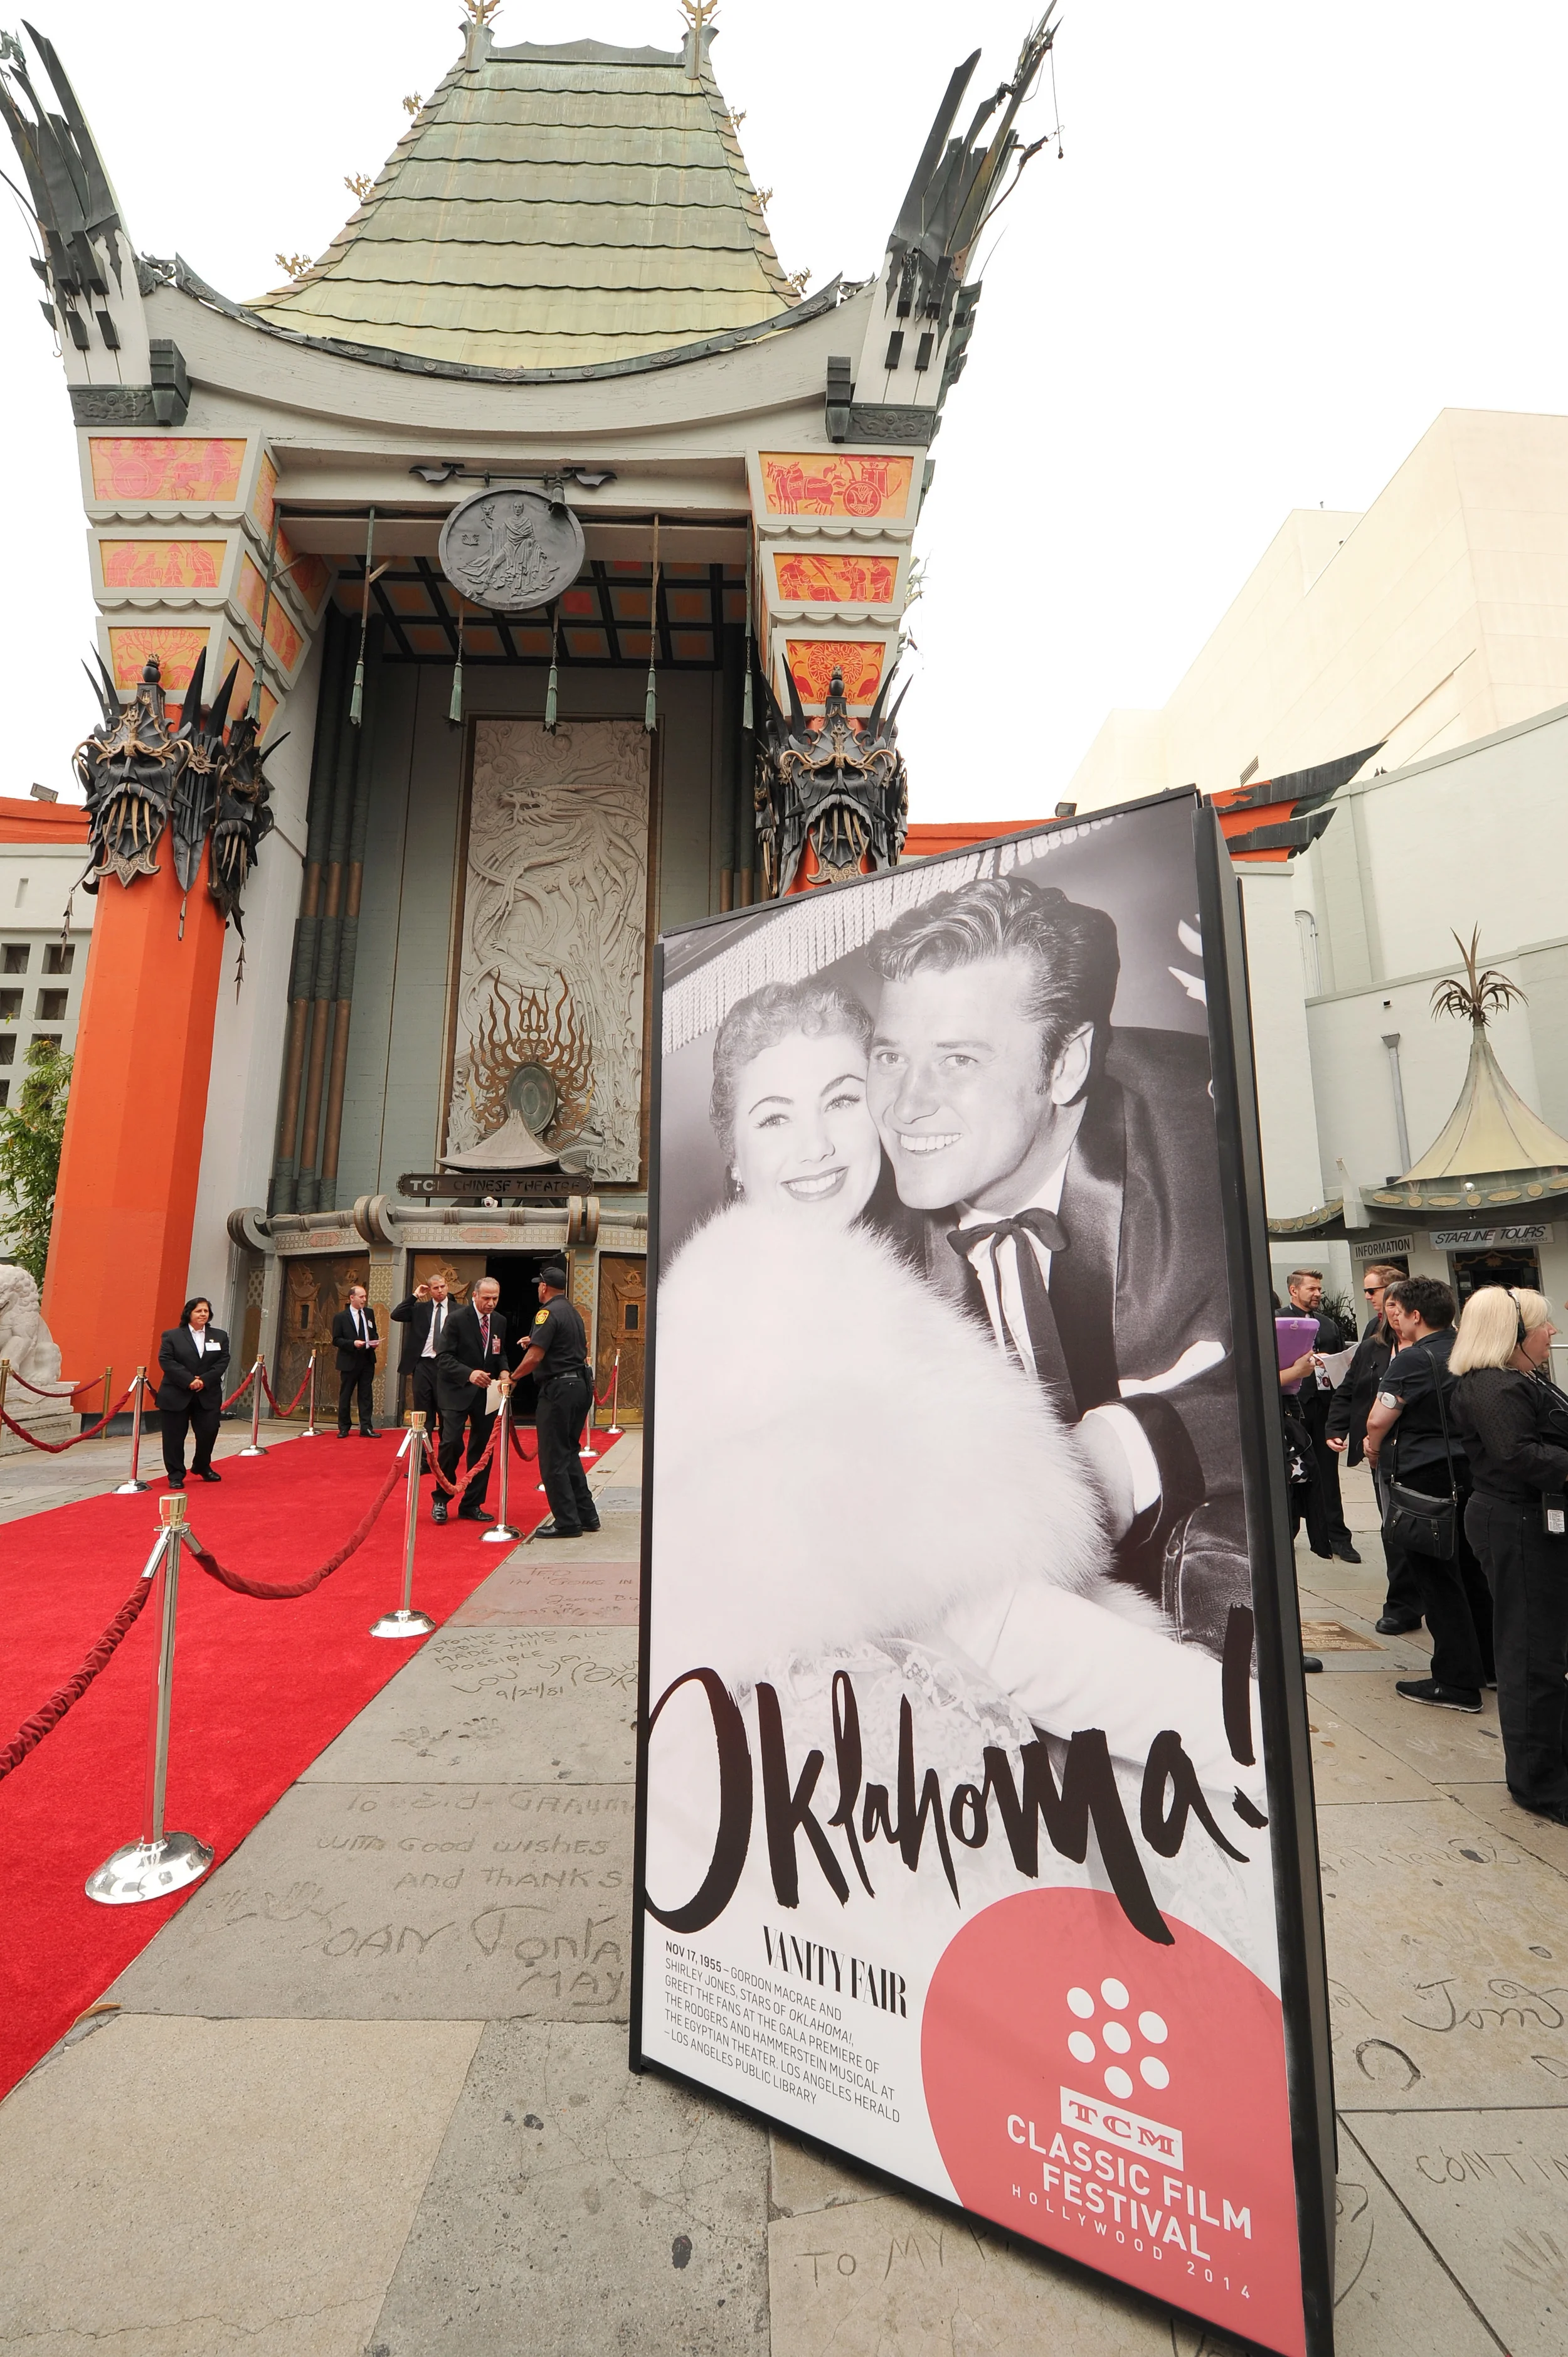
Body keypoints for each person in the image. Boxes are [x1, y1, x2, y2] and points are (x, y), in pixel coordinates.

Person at [650, 995, 1264, 1797]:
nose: (815, 1148)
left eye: (841, 1100)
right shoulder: (751, 1304)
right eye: (772, 1119)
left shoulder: (902, 1268)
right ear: (732, 1155)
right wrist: (1233, 1736)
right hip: (842, 1761)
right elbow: (977, 1612)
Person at [865, 871, 1244, 1653]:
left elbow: (1262, 1409)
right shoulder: (856, 1217)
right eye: (890, 1057)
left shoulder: (1209, 1140)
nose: (904, 1107)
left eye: (958, 1060)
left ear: (1066, 1064)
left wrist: (1119, 1450)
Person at [1449, 1286, 1568, 1824]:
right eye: (1544, 1325)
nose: (1553, 1333)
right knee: (1530, 1656)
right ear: (1514, 1333)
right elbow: (1518, 1454)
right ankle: (1538, 1784)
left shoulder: (1519, 1378)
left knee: (1545, 1653)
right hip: (1517, 1524)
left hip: (1531, 1522)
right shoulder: (1494, 1386)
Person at [1364, 1275, 1495, 1711]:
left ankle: (1456, 1682)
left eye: (1398, 1310)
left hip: (1426, 1478)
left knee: (1438, 1580)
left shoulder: (1412, 1360)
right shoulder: (1469, 1350)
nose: (1395, 1319)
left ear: (1416, 1315)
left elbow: (1378, 1420)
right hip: (1474, 1473)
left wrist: (1372, 1446)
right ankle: (1490, 1667)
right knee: (1475, 1573)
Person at [1327, 1264, 1423, 1633]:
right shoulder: (1375, 1342)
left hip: (1423, 1452)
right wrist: (1336, 1428)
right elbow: (1350, 1388)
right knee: (1394, 1530)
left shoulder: (1437, 1350)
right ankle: (1403, 1604)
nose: (1372, 1301)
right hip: (1382, 1456)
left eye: (1375, 1293)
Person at [514, 1261, 601, 1539]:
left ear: (543, 1287)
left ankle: (567, 1521)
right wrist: (535, 1341)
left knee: (553, 1457)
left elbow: (536, 1357)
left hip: (559, 1390)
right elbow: (562, 1344)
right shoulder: (572, 1312)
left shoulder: (546, 1313)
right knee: (568, 1452)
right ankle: (586, 1515)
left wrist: (513, 1378)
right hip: (579, 1386)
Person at [1285, 1267, 1359, 1562]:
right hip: (1293, 1407)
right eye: (1311, 1289)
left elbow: (1343, 1369)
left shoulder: (1328, 1325)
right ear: (1294, 1290)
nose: (1318, 1294)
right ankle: (1286, 1533)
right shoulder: (1277, 1320)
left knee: (1328, 1473)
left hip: (1325, 1407)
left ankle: (1337, 1536)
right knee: (1291, 1473)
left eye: (1319, 1289)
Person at [433, 1273, 507, 1523]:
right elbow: (443, 1358)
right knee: (451, 1443)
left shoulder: (499, 1321)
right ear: (474, 1296)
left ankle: (472, 1503)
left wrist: (505, 1371)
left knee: (483, 1448)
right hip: (455, 1390)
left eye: (495, 1298)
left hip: (486, 1394)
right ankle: (441, 1499)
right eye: (486, 1298)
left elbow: (499, 1352)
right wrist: (469, 1373)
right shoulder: (456, 1320)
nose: (491, 1303)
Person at [156, 1296, 230, 1487]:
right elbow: (167, 1361)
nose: (203, 1314)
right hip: (177, 1392)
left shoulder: (220, 1336)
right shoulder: (172, 1336)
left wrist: (203, 1380)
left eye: (206, 1311)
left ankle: (202, 1466)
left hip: (207, 1393)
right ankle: (175, 1474)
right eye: (199, 1311)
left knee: (209, 1430)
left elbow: (223, 1361)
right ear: (189, 1313)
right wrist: (189, 1380)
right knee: (174, 1437)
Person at [390, 1273, 452, 1429]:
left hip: (447, 1364)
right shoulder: (420, 1309)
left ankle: (447, 1452)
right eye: (435, 1288)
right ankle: (423, 1451)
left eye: (443, 1287)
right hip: (423, 1365)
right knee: (423, 1410)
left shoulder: (458, 1310)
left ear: (447, 1287)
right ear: (430, 1290)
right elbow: (396, 1315)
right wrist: (415, 1295)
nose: (440, 1291)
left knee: (446, 1411)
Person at [331, 1283, 381, 1438]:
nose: (364, 1300)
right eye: (361, 1297)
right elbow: (336, 1339)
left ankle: (366, 1427)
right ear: (352, 1298)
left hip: (367, 1359)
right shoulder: (341, 1317)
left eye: (365, 1296)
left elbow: (374, 1332)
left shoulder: (369, 1313)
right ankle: (344, 1427)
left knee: (366, 1394)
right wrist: (352, 1343)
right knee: (346, 1394)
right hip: (349, 1360)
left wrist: (375, 1342)